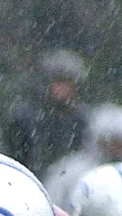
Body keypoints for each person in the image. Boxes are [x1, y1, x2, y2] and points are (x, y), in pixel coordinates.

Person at [5, 49, 85, 177]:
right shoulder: (25, 118)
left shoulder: (82, 120)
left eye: (67, 82)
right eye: (58, 81)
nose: (61, 88)